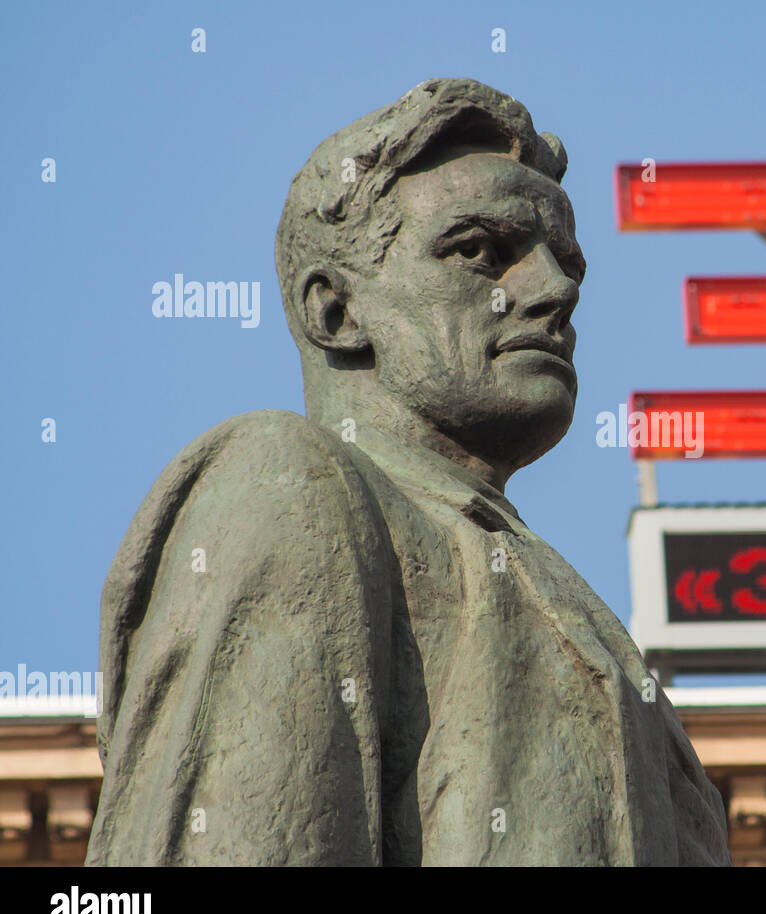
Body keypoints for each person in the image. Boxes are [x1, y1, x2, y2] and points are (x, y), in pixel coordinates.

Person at [86, 77, 730, 866]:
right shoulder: (289, 483)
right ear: (336, 312)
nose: (555, 291)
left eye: (566, 263)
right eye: (480, 253)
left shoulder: (590, 623)